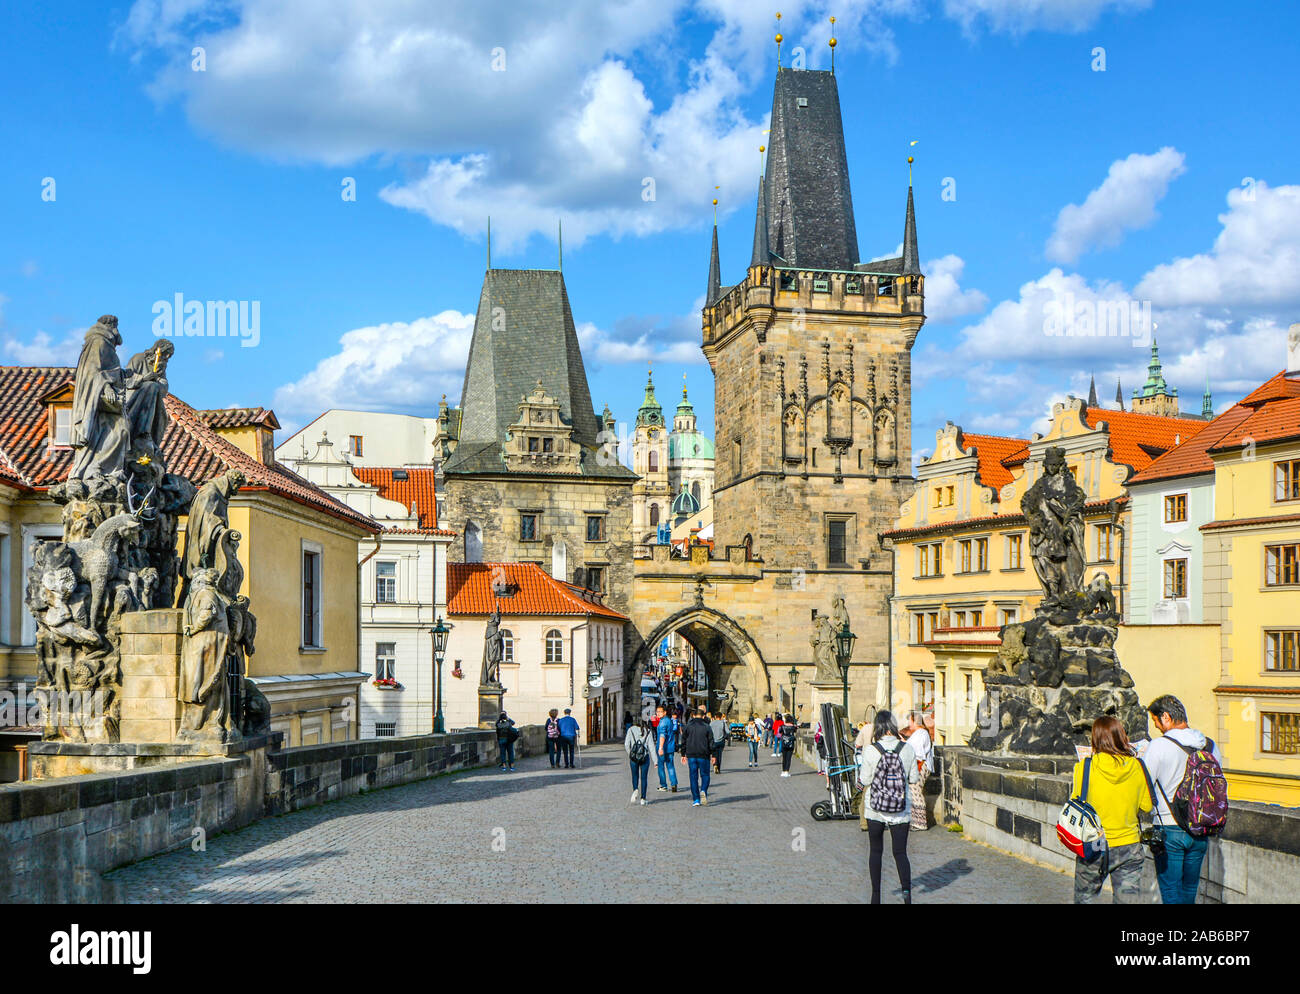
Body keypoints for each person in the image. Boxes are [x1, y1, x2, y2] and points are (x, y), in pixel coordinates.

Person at [1144, 694, 1225, 904]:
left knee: (1170, 889)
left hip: (1168, 827)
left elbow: (1144, 786)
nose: (1157, 728)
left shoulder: (1158, 746)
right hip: (1201, 827)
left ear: (1166, 717)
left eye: (1156, 721)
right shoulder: (1210, 746)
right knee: (1190, 888)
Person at [1070, 716, 1153, 904]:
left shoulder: (1084, 767)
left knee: (1085, 899)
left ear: (1095, 739)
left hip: (1094, 844)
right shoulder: (1138, 766)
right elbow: (1147, 806)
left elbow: (1075, 801)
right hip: (1128, 844)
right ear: (1122, 737)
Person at [856, 710, 918, 904]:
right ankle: (907, 897)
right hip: (900, 810)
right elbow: (914, 778)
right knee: (900, 853)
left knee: (876, 852)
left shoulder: (871, 750)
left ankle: (876, 898)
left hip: (875, 809)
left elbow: (865, 779)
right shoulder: (907, 749)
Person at [903, 711, 933, 831]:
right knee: (913, 792)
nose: (908, 724)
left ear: (915, 721)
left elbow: (919, 754)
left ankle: (920, 823)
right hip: (917, 765)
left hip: (920, 765)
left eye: (909, 721)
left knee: (916, 792)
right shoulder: (919, 733)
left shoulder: (921, 734)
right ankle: (916, 821)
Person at [682, 705, 714, 806]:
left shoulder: (688, 726)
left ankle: (696, 799)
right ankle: (703, 790)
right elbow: (711, 742)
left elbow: (683, 741)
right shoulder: (707, 727)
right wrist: (713, 755)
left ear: (693, 716)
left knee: (693, 777)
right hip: (704, 754)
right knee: (705, 775)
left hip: (691, 755)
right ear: (703, 716)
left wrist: (683, 754)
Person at [625, 717, 655, 805]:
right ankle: (643, 798)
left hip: (633, 757)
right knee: (644, 778)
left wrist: (630, 754)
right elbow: (651, 747)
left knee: (634, 775)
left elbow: (627, 744)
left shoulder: (630, 730)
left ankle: (635, 789)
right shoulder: (648, 731)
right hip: (644, 757)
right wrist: (655, 761)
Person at [655, 704, 679, 793]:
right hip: (670, 747)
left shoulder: (662, 722)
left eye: (660, 712)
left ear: (664, 712)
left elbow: (662, 735)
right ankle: (673, 784)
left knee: (661, 767)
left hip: (664, 748)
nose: (658, 713)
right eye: (657, 711)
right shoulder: (669, 720)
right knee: (670, 766)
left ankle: (663, 785)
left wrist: (660, 747)